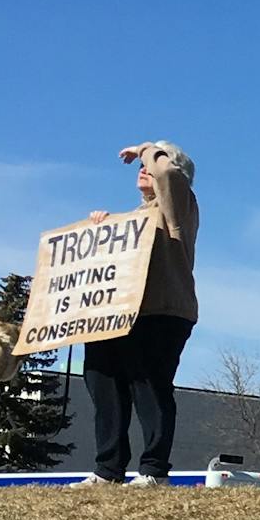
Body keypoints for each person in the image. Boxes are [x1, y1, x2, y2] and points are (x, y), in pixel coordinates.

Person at [76, 142, 200, 486]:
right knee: (103, 380)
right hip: (118, 313)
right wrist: (102, 229)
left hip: (162, 311)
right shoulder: (136, 216)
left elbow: (165, 172)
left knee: (150, 385)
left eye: (151, 162)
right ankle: (108, 469)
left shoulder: (179, 205)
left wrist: (147, 147)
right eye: (142, 164)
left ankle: (154, 470)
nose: (144, 167)